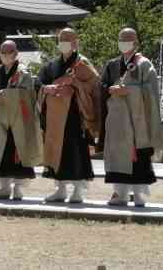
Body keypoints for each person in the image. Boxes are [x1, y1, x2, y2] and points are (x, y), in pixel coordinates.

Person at [100, 28, 163, 207]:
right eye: (121, 39)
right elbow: (102, 85)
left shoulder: (144, 64)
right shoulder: (112, 64)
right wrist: (110, 89)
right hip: (117, 118)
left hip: (137, 120)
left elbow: (151, 90)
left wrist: (129, 91)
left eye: (127, 39)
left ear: (135, 42)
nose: (124, 42)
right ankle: (120, 193)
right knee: (117, 154)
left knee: (138, 156)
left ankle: (139, 194)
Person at [39, 28, 101, 204]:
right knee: (56, 151)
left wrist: (75, 83)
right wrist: (46, 88)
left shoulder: (82, 63)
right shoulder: (52, 65)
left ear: (75, 43)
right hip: (55, 116)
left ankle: (78, 190)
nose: (63, 42)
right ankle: (60, 189)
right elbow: (39, 82)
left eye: (67, 39)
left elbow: (95, 85)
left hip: (75, 115)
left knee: (76, 151)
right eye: (61, 39)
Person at [0, 40, 41, 200]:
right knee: (1, 154)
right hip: (0, 120)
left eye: (9, 52)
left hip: (19, 120)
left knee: (19, 154)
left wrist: (8, 95)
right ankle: (4, 187)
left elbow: (29, 94)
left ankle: (18, 188)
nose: (5, 55)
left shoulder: (23, 72)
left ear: (16, 54)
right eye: (2, 52)